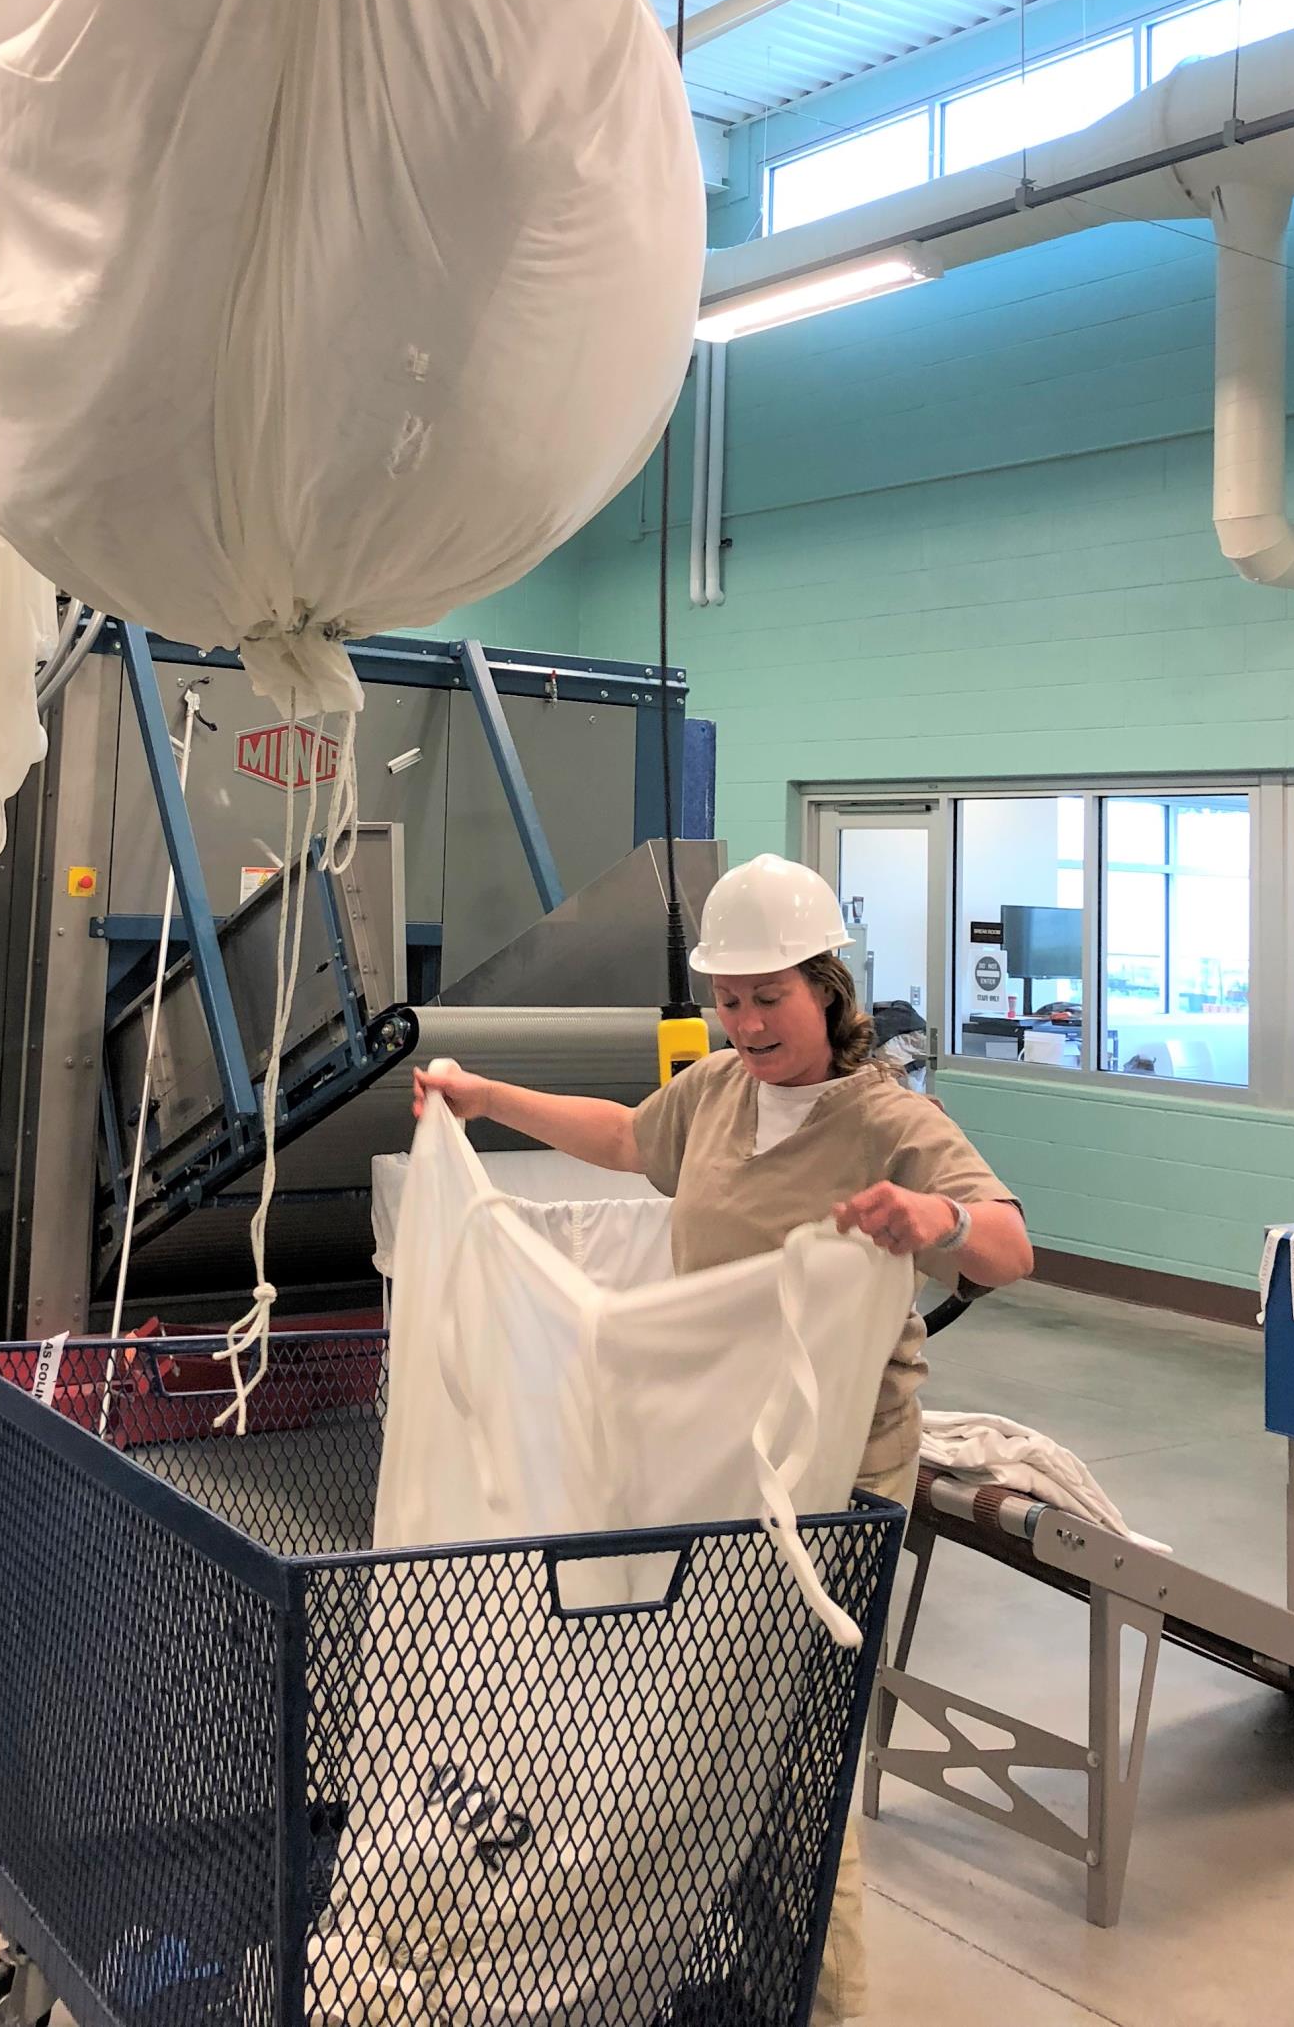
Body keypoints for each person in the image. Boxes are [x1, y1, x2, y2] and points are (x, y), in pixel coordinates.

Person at [413, 851, 1033, 2025]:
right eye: (730, 999)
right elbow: (621, 1138)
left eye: (769, 998)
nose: (747, 1023)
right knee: (702, 1723)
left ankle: (823, 1995)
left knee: (798, 1744)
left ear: (826, 991)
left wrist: (930, 1215)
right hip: (715, 1440)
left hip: (838, 1462)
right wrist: (486, 1098)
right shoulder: (711, 1092)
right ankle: (728, 1958)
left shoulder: (887, 1117)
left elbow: (1005, 1246)